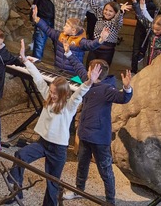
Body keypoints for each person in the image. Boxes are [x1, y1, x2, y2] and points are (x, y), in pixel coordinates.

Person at [8, 43, 101, 206]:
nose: (51, 95)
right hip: (42, 143)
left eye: (54, 93)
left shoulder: (69, 106)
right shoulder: (47, 96)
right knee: (20, 156)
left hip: (58, 149)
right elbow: (37, 78)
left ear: (64, 94)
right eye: (50, 91)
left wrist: (89, 82)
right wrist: (25, 61)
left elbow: (79, 94)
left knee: (52, 182)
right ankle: (16, 192)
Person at [61, 46, 133, 204]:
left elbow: (122, 98)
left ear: (96, 73)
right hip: (85, 134)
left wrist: (127, 88)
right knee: (82, 163)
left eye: (89, 70)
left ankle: (110, 201)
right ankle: (79, 189)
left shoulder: (108, 89)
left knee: (105, 170)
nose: (86, 72)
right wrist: (68, 52)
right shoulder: (88, 81)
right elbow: (78, 67)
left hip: (100, 139)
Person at [29, 0, 116, 41]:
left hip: (75, 35)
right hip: (59, 33)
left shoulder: (82, 3)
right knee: (58, 53)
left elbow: (96, 1)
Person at [31, 5, 111, 74]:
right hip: (58, 70)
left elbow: (91, 45)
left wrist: (101, 40)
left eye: (66, 26)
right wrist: (36, 19)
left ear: (73, 30)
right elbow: (47, 29)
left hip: (73, 73)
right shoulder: (60, 35)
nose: (63, 27)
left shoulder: (80, 41)